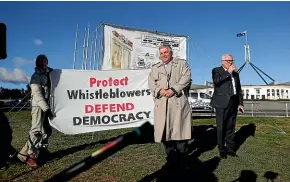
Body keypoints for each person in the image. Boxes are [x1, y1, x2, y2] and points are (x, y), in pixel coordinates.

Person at [148, 45, 192, 167]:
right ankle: (171, 159)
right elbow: (151, 83)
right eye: (161, 53)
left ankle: (183, 158)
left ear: (171, 52)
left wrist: (173, 89)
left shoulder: (182, 64)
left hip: (178, 103)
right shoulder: (155, 68)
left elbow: (186, 78)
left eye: (166, 52)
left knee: (181, 132)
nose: (163, 54)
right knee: (165, 132)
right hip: (163, 104)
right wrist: (160, 91)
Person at [17, 54, 54, 168]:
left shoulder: (50, 73)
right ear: (37, 63)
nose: (43, 63)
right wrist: (46, 108)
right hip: (38, 106)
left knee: (47, 131)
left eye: (45, 61)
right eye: (41, 61)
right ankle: (30, 155)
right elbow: (37, 95)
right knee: (36, 131)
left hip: (47, 104)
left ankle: (38, 151)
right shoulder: (35, 77)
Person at [210, 54, 244, 159]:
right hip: (221, 103)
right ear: (223, 61)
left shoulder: (236, 74)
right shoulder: (216, 70)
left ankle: (230, 149)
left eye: (232, 60)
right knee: (221, 127)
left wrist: (240, 103)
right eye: (229, 60)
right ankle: (222, 149)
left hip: (233, 103)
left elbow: (239, 90)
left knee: (230, 127)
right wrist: (228, 72)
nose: (231, 62)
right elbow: (217, 81)